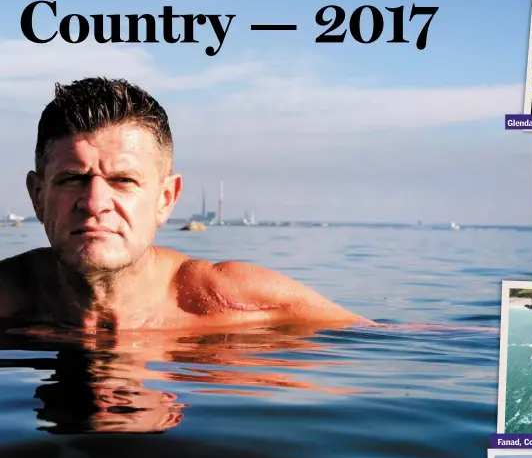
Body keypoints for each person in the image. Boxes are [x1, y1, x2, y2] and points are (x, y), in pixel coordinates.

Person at [0, 77, 372, 332]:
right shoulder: (10, 298)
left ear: (165, 199)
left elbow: (378, 344)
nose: (95, 203)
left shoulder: (230, 302)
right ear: (37, 196)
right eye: (72, 179)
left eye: (123, 180)